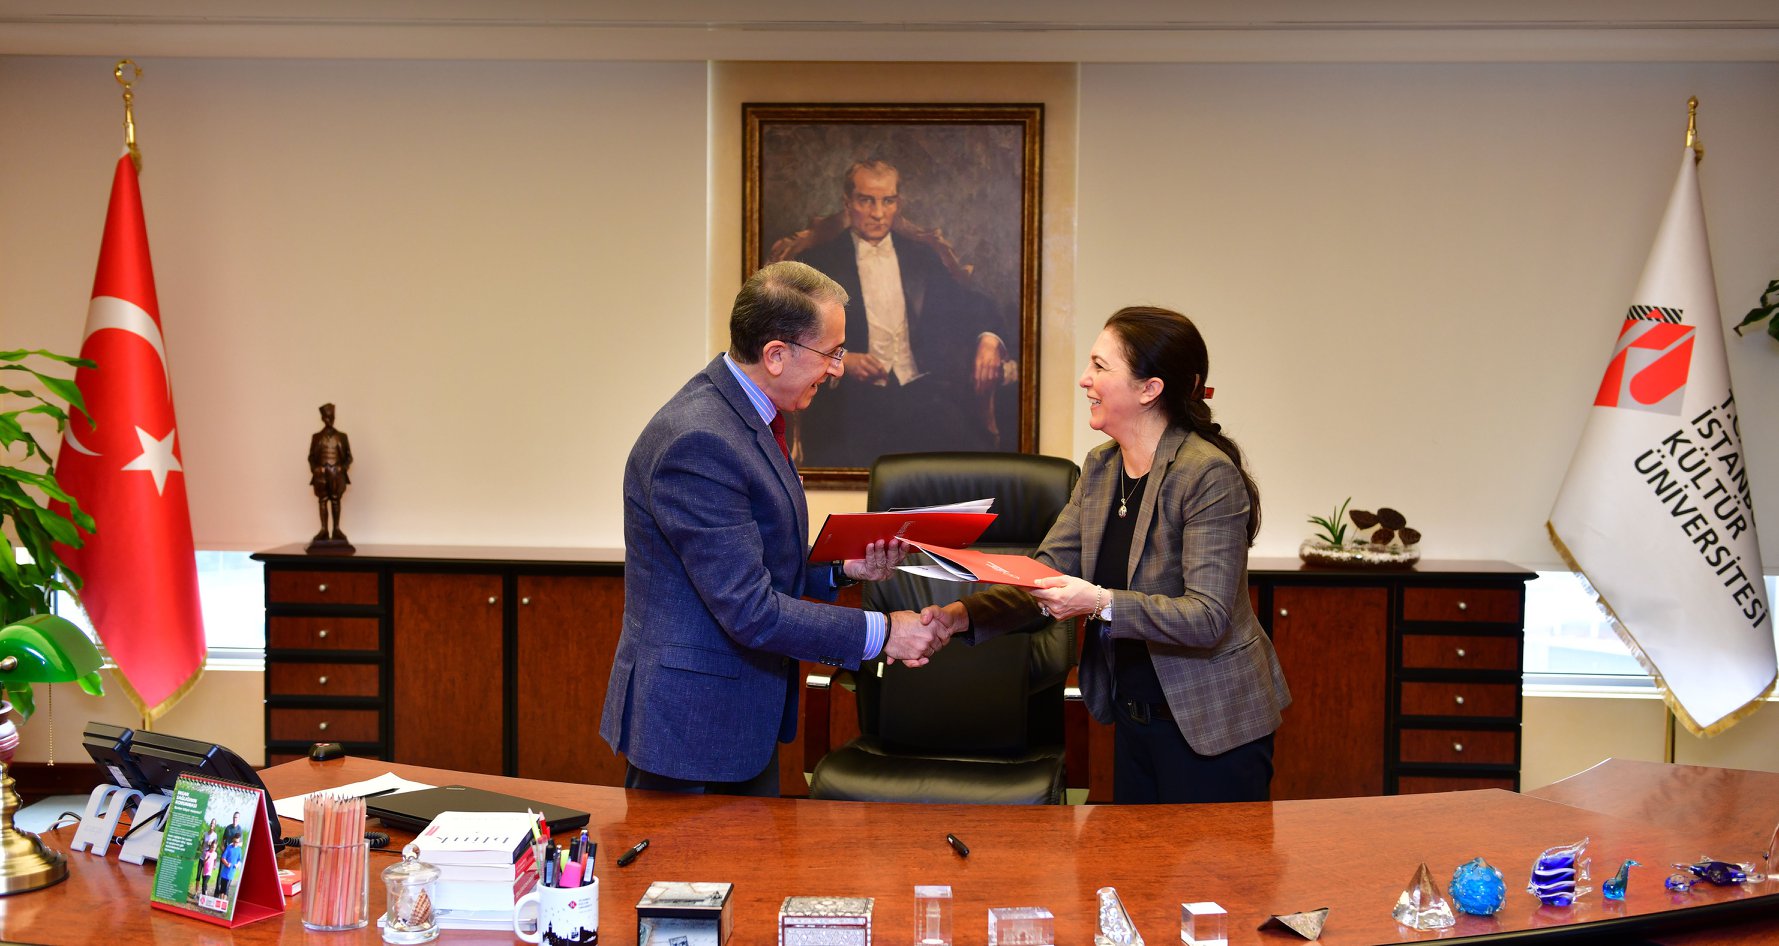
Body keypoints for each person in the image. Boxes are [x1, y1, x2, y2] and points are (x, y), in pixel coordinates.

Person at [600, 260, 947, 796]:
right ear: (777, 354)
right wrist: (884, 633)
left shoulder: (743, 416)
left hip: (735, 722)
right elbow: (751, 610)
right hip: (693, 732)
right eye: (831, 353)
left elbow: (754, 557)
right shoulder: (700, 441)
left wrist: (841, 569)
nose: (837, 369)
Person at [924, 306, 1290, 804]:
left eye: (1099, 366)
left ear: (1149, 389)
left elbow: (1207, 618)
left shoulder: (1206, 474)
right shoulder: (1100, 468)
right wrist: (958, 617)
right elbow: (1044, 576)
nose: (1084, 379)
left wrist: (1099, 601)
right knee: (1136, 858)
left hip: (1212, 727)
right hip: (1133, 718)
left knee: (1207, 861)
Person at [793, 158, 1011, 467]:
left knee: (972, 463)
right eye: (866, 200)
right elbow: (791, 335)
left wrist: (989, 339)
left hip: (920, 392)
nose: (878, 213)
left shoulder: (922, 257)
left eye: (888, 201)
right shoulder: (818, 261)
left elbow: (971, 304)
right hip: (850, 402)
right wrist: (843, 360)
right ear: (847, 202)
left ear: (899, 203)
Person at [307, 402, 353, 548]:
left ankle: (336, 529)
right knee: (322, 500)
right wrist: (315, 468)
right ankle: (324, 530)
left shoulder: (342, 436)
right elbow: (311, 457)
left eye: (331, 417)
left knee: (335, 500)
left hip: (336, 474)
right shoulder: (316, 437)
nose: (329, 420)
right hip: (321, 474)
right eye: (327, 417)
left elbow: (349, 457)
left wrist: (342, 468)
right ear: (322, 418)